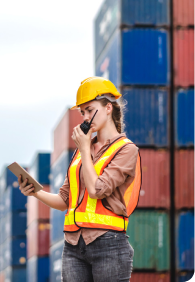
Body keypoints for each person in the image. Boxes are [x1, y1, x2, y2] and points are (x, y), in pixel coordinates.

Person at [19, 77, 142, 282]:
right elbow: (64, 200)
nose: (85, 117)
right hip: (73, 246)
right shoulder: (80, 152)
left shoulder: (126, 150)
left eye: (89, 109)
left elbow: (97, 190)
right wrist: (35, 191)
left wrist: (85, 148)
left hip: (109, 245)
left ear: (108, 108)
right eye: (82, 112)